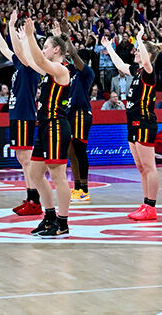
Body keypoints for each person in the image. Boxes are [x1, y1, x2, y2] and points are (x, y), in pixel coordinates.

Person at [102, 26, 162, 221]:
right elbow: (120, 65)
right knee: (141, 167)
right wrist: (109, 47)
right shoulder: (137, 72)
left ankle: (151, 207)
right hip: (133, 122)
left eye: (139, 49)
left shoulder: (148, 71)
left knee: (149, 165)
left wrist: (138, 38)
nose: (136, 52)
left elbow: (146, 60)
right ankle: (145, 203)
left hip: (145, 122)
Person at [0, 11, 42, 217]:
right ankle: (30, 197)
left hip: (25, 114)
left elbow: (19, 50)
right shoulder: (19, 65)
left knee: (26, 159)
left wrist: (14, 29)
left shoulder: (31, 65)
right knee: (21, 157)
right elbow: (4, 48)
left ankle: (34, 200)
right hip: (16, 114)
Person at [22, 19, 73, 238]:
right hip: (44, 127)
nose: (43, 50)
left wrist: (32, 36)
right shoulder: (48, 71)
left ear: (56, 49)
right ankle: (49, 216)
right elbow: (28, 58)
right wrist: (23, 38)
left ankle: (63, 222)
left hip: (55, 127)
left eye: (46, 46)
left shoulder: (61, 70)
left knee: (58, 175)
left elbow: (40, 60)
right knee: (34, 172)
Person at [58, 20, 95, 204]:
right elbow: (65, 56)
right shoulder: (71, 73)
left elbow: (72, 54)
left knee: (80, 150)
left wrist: (66, 36)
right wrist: (59, 38)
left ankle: (85, 189)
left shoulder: (87, 73)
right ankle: (78, 187)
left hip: (82, 113)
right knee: (71, 151)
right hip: (71, 113)